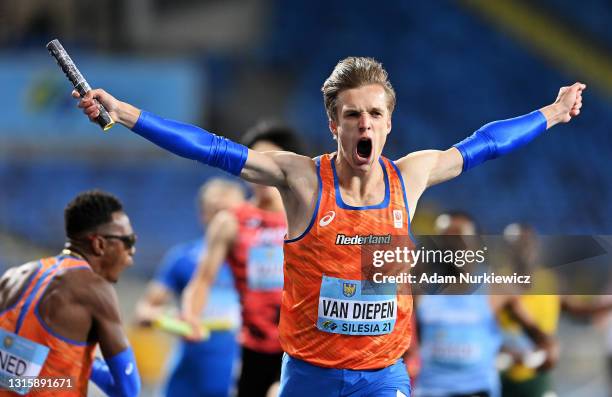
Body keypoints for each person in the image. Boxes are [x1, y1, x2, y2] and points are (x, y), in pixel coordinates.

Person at [74, 56, 585, 396]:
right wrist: (124, 112)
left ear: (388, 123)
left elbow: (487, 143)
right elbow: (210, 148)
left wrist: (554, 112)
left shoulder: (412, 175)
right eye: (352, 114)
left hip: (384, 376)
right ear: (333, 124)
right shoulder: (300, 180)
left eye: (374, 114)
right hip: (309, 377)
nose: (364, 124)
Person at [181, 122, 305, 397]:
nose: (261, 171)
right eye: (256, 162)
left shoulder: (308, 219)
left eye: (270, 161)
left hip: (301, 346)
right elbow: (202, 279)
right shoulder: (230, 222)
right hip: (254, 348)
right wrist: (191, 315)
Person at [0, 190, 141, 397]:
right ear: (99, 244)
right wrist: (88, 363)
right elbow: (128, 390)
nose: (132, 251)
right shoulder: (95, 290)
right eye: (128, 241)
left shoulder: (11, 277)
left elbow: (20, 375)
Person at [413, 212, 554, 397]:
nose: (451, 247)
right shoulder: (418, 289)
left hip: (477, 390)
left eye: (460, 238)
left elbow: (539, 336)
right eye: (445, 239)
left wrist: (546, 350)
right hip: (431, 390)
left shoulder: (496, 289)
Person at [134, 178, 245, 397]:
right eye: (214, 211)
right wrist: (168, 319)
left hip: (240, 376)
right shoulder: (183, 258)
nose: (221, 220)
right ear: (202, 215)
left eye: (228, 212)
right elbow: (143, 311)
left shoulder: (262, 261)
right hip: (187, 380)